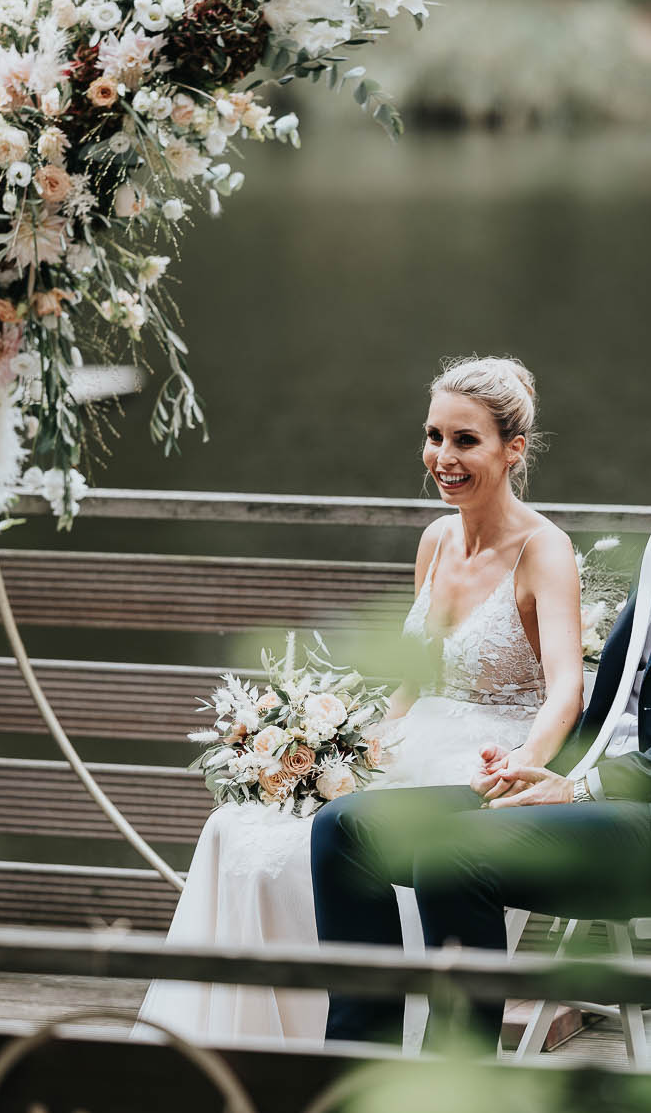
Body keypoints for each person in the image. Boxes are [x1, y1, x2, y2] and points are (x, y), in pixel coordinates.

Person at [311, 322, 651, 1048]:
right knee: (346, 828)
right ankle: (347, 1094)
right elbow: (626, 689)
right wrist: (548, 766)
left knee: (453, 851)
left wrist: (587, 787)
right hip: (594, 790)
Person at [137, 357, 583, 1045]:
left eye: (465, 440)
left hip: (480, 759)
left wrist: (525, 762)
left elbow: (566, 689)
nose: (442, 456)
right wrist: (343, 741)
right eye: (434, 435)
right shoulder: (435, 539)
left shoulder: (544, 551)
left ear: (513, 448)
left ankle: (344, 1044)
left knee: (296, 854)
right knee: (237, 830)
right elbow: (416, 678)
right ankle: (243, 1047)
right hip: (410, 742)